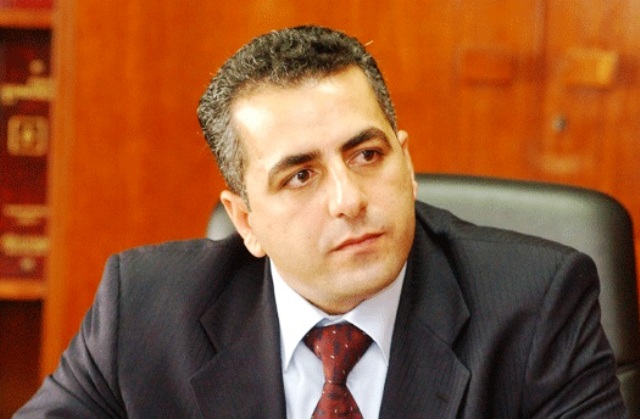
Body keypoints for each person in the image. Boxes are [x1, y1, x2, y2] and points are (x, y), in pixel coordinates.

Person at [16, 25, 626, 418]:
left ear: (408, 165)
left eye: (367, 156)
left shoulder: (536, 305)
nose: (348, 200)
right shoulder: (143, 309)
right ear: (245, 221)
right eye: (300, 176)